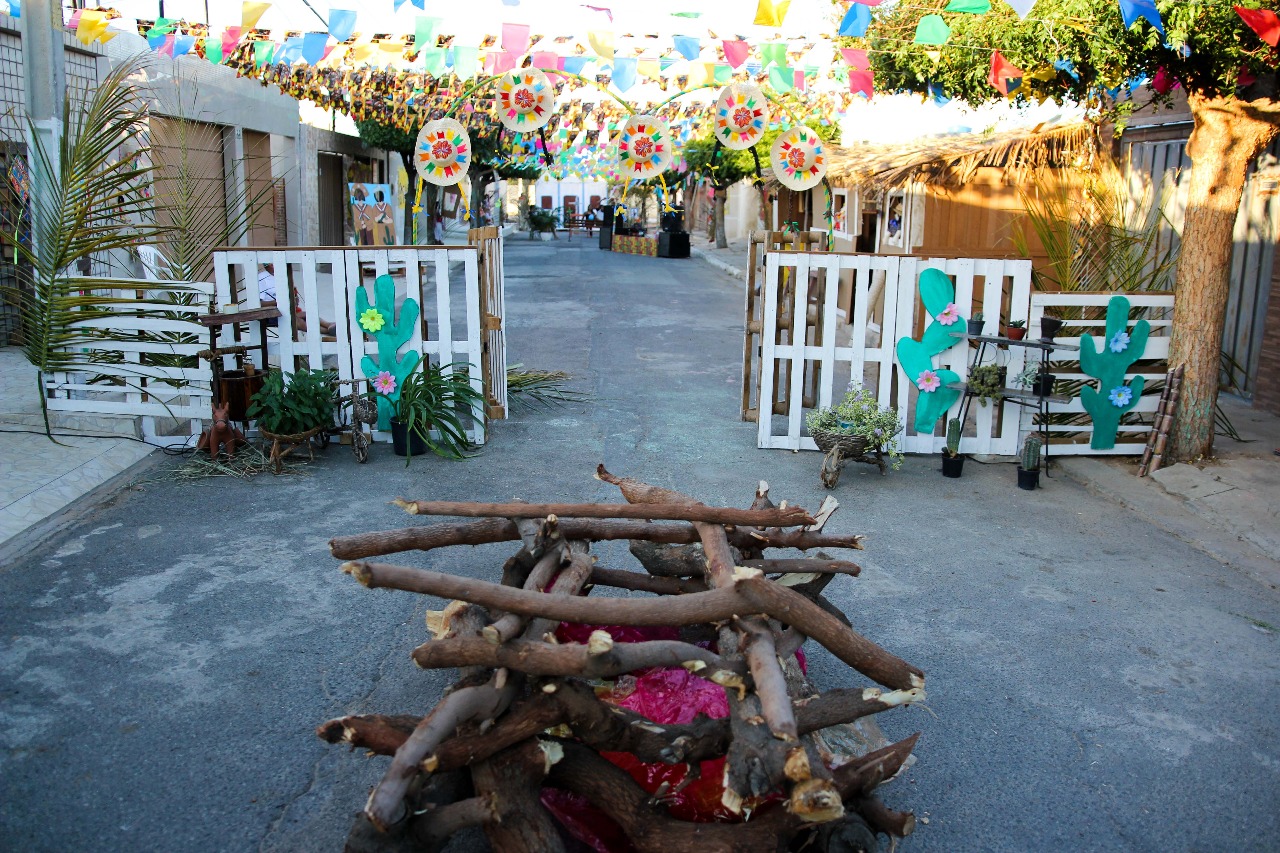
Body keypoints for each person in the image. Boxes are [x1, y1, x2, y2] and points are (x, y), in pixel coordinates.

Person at [258, 264, 336, 336]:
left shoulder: (279, 276)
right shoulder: (262, 279)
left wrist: (294, 299)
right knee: (298, 321)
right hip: (272, 314)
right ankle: (328, 331)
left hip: (286, 311)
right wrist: (278, 302)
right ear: (269, 265)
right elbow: (259, 304)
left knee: (307, 315)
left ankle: (328, 325)